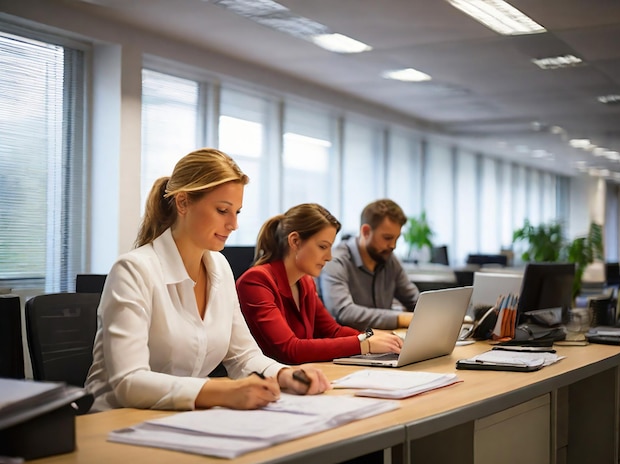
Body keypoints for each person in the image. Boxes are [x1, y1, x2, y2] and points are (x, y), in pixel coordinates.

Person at [85, 148, 330, 412]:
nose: (233, 224)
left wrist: (283, 375)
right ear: (183, 203)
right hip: (115, 422)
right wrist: (221, 390)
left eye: (237, 212)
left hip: (184, 420)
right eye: (223, 210)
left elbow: (242, 355)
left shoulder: (219, 268)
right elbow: (129, 382)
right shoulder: (133, 270)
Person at [235, 203, 403, 365]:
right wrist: (364, 344)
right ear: (295, 241)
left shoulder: (305, 283)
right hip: (265, 385)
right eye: (323, 246)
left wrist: (370, 336)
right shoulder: (256, 281)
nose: (329, 257)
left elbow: (332, 331)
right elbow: (290, 349)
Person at [318, 199, 419, 331]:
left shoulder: (389, 259)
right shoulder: (336, 261)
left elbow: (415, 300)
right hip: (352, 345)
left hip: (385, 342)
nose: (393, 246)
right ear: (365, 232)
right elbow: (344, 312)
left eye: (396, 238)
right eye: (387, 238)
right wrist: (400, 318)